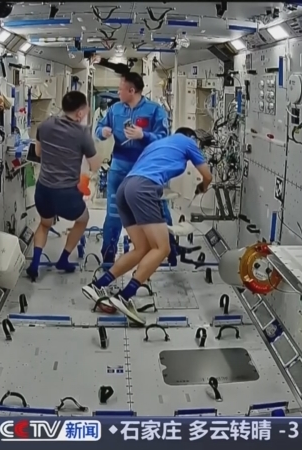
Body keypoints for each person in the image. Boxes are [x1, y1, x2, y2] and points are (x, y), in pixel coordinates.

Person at [82, 128, 212, 324]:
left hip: (126, 188)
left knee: (141, 248)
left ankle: (99, 285)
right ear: (191, 137)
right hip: (143, 188)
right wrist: (202, 187)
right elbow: (207, 176)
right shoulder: (188, 142)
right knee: (162, 248)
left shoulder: (158, 144)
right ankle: (125, 296)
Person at [94, 72, 178, 265]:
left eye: (120, 89)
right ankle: (108, 254)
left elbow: (164, 139)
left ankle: (170, 249)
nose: (118, 92)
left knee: (159, 210)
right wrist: (102, 131)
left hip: (146, 170)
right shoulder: (115, 109)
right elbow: (99, 128)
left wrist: (143, 135)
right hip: (119, 169)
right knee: (113, 213)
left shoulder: (154, 110)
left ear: (131, 91)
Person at [26, 91, 100, 281]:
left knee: (44, 224)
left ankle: (35, 263)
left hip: (43, 189)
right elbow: (94, 165)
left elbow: (38, 153)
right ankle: (63, 259)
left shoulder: (45, 125)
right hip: (67, 193)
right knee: (83, 219)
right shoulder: (82, 134)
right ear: (80, 113)